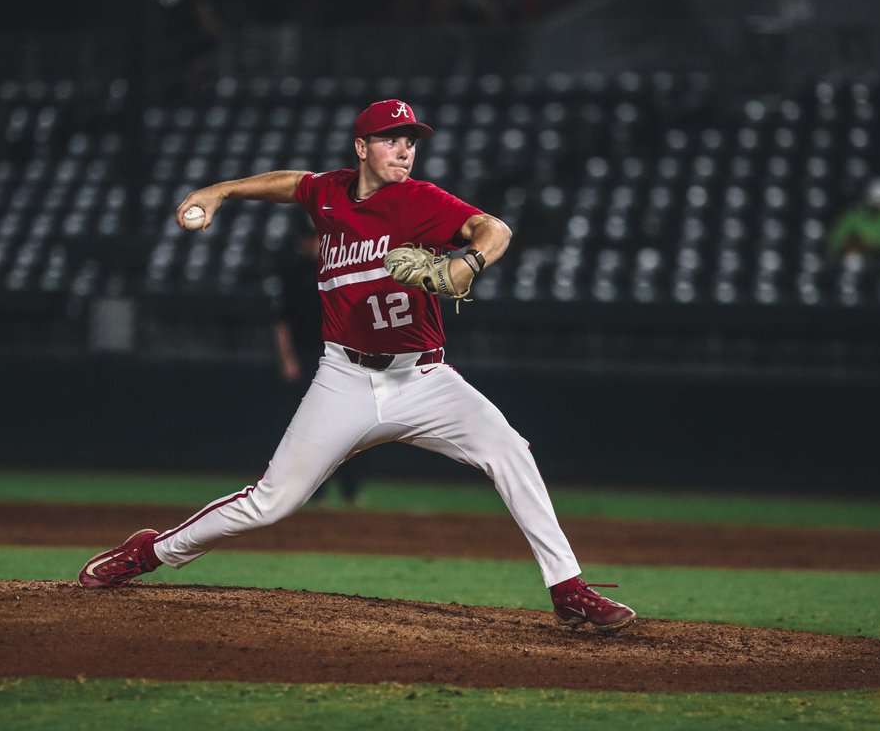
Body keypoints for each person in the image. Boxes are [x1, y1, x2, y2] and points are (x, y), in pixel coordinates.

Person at [78, 99, 637, 634]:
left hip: (424, 379)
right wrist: (219, 191)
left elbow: (496, 229)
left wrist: (471, 259)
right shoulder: (329, 193)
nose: (404, 150)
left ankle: (567, 588)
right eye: (391, 140)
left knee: (510, 451)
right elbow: (289, 182)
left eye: (410, 140)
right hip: (345, 378)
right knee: (272, 503)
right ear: (361, 147)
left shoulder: (420, 200)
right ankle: (148, 550)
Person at [272, 220, 363, 504]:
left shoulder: (339, 269)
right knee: (307, 427)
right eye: (309, 237)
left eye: (317, 237)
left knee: (346, 426)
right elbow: (281, 321)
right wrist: (287, 358)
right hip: (305, 354)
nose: (313, 242)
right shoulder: (292, 272)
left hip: (337, 355)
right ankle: (314, 492)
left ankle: (350, 491)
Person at [827, 177, 880, 261]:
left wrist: (875, 243)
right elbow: (835, 239)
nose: (877, 205)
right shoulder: (855, 215)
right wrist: (851, 244)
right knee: (852, 259)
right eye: (874, 201)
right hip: (861, 257)